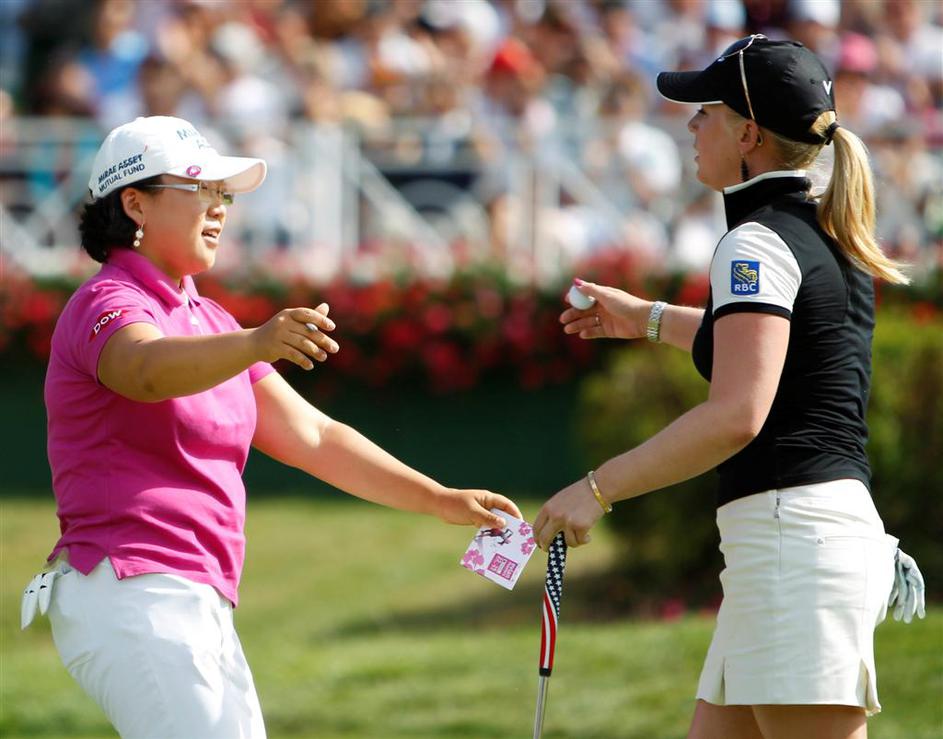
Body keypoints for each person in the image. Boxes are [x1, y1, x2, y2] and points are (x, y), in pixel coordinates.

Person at [21, 115, 522, 739]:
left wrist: (439, 499)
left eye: (223, 194)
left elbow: (315, 437)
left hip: (193, 598)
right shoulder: (107, 301)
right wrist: (257, 342)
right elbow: (144, 370)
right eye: (200, 188)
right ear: (135, 203)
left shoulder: (210, 320)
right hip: (130, 589)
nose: (219, 207)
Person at [532, 36, 925, 739]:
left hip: (792, 546)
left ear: (747, 135)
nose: (690, 126)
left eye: (705, 112)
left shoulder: (755, 242)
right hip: (795, 542)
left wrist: (596, 489)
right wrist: (648, 318)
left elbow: (737, 413)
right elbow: (773, 350)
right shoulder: (818, 229)